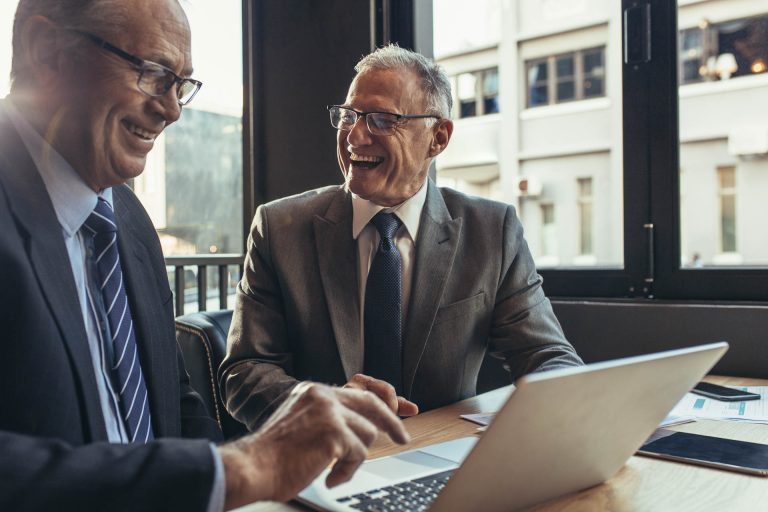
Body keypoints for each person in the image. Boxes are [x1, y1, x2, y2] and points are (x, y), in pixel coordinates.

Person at [0, 1, 408, 510]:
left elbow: (174, 405)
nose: (171, 110)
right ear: (48, 52)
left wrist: (245, 481)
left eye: (180, 86)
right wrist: (243, 468)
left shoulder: (127, 219)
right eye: (153, 74)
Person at [220, 45, 583, 431]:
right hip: (318, 458)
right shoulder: (280, 227)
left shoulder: (492, 231)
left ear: (438, 138)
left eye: (380, 119)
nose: (355, 137)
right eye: (348, 117)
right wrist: (323, 406)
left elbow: (547, 355)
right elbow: (244, 372)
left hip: (442, 459)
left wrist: (555, 415)